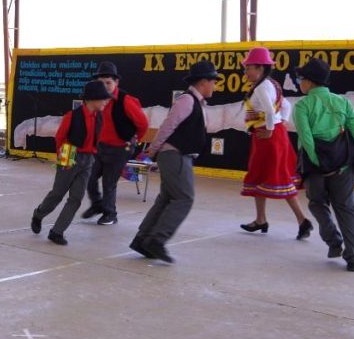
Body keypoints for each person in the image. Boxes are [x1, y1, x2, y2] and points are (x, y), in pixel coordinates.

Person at [130, 60, 219, 263]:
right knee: (184, 198)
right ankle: (157, 240)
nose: (215, 86)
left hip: (177, 156)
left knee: (167, 198)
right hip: (176, 155)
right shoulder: (187, 101)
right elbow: (167, 126)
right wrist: (152, 150)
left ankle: (142, 240)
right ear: (203, 82)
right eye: (213, 81)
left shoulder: (193, 102)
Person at [292, 57, 354, 272]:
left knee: (316, 203)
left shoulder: (302, 105)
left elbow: (306, 137)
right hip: (343, 166)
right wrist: (344, 156)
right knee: (347, 209)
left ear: (309, 81)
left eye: (301, 79)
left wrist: (318, 161)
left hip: (315, 167)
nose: (299, 83)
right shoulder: (343, 102)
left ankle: (333, 239)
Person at [238, 47, 313, 240]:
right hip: (273, 135)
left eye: (248, 68)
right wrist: (281, 123)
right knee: (262, 175)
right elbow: (285, 105)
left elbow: (270, 111)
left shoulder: (261, 87)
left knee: (277, 177)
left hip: (268, 137)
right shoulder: (271, 84)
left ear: (260, 68)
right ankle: (261, 219)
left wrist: (271, 129)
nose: (246, 72)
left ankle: (302, 220)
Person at [30, 80, 112, 246]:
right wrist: (64, 157)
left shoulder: (100, 117)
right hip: (69, 153)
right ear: (92, 98)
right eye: (103, 98)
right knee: (58, 193)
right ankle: (39, 214)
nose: (106, 101)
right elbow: (60, 138)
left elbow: (98, 138)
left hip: (88, 158)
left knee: (76, 197)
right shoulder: (72, 116)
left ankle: (57, 232)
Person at [81, 61, 150, 226]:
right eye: (101, 83)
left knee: (108, 182)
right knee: (88, 176)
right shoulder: (95, 100)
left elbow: (143, 123)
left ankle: (110, 214)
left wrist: (135, 139)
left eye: (108, 83)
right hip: (100, 147)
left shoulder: (126, 100)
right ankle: (97, 205)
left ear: (116, 82)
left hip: (120, 148)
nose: (104, 87)